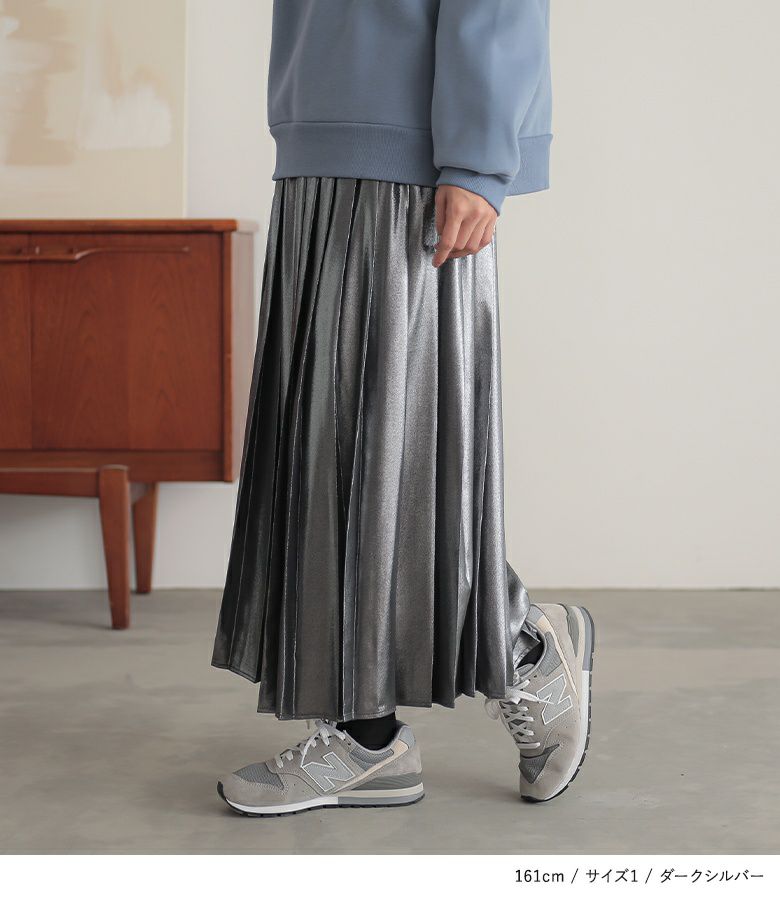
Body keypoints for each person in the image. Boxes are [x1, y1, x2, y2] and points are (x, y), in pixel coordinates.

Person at [212, 0, 594, 816]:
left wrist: (477, 162)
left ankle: (495, 659)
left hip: (409, 162)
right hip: (318, 145)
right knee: (324, 454)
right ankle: (390, 723)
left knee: (383, 453)